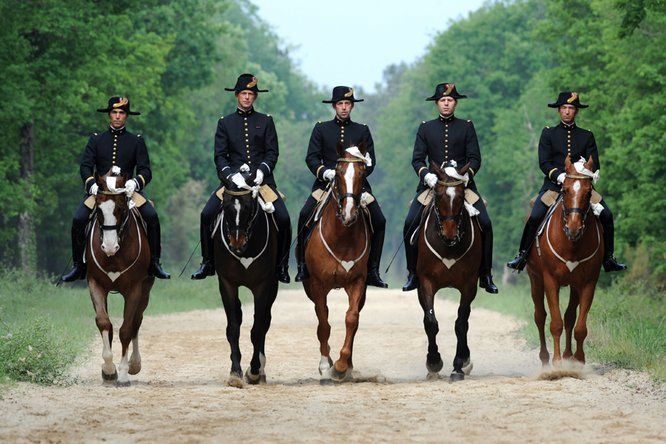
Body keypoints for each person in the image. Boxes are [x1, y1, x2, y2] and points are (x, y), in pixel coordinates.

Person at [507, 91, 626, 272]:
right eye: (564, 108)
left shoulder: (587, 135)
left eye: (571, 108)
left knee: (607, 215)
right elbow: (544, 162)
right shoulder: (548, 133)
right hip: (554, 187)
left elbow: (595, 164)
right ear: (559, 111)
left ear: (576, 111)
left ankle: (608, 258)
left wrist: (581, 170)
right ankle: (522, 255)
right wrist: (560, 176)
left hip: (581, 187)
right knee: (535, 215)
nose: (567, 111)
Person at [191, 73, 291, 282]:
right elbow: (220, 156)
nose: (247, 97)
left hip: (261, 183)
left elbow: (272, 152)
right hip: (232, 183)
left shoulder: (266, 121)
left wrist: (262, 171)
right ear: (236, 95)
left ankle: (281, 266)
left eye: (251, 94)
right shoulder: (225, 123)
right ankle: (207, 262)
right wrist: (230, 176)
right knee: (206, 214)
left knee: (284, 218)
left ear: (255, 97)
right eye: (244, 93)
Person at [59, 96, 170, 282]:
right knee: (78, 219)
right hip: (100, 193)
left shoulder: (136, 141)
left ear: (126, 116)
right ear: (109, 115)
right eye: (114, 112)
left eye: (121, 113)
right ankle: (79, 266)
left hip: (126, 192)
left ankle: (154, 263)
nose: (118, 116)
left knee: (151, 217)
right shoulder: (96, 140)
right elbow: (85, 166)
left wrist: (135, 183)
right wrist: (91, 184)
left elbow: (145, 170)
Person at [402, 83, 498, 293]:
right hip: (433, 186)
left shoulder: (466, 126)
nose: (446, 104)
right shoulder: (426, 128)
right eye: (443, 100)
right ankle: (412, 273)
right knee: (410, 221)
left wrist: (465, 176)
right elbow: (417, 159)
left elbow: (475, 158)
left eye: (450, 100)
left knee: (486, 223)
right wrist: (426, 175)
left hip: (462, 186)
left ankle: (486, 274)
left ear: (455, 103)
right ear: (437, 103)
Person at [294, 86, 388, 288]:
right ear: (334, 106)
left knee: (379, 220)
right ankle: (302, 265)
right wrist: (324, 172)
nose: (344, 108)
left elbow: (370, 162)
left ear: (352, 106)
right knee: (304, 215)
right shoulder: (321, 128)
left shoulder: (362, 130)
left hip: (357, 187)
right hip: (326, 184)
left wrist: (362, 173)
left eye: (347, 104)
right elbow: (311, 158)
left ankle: (372, 270)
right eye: (340, 104)